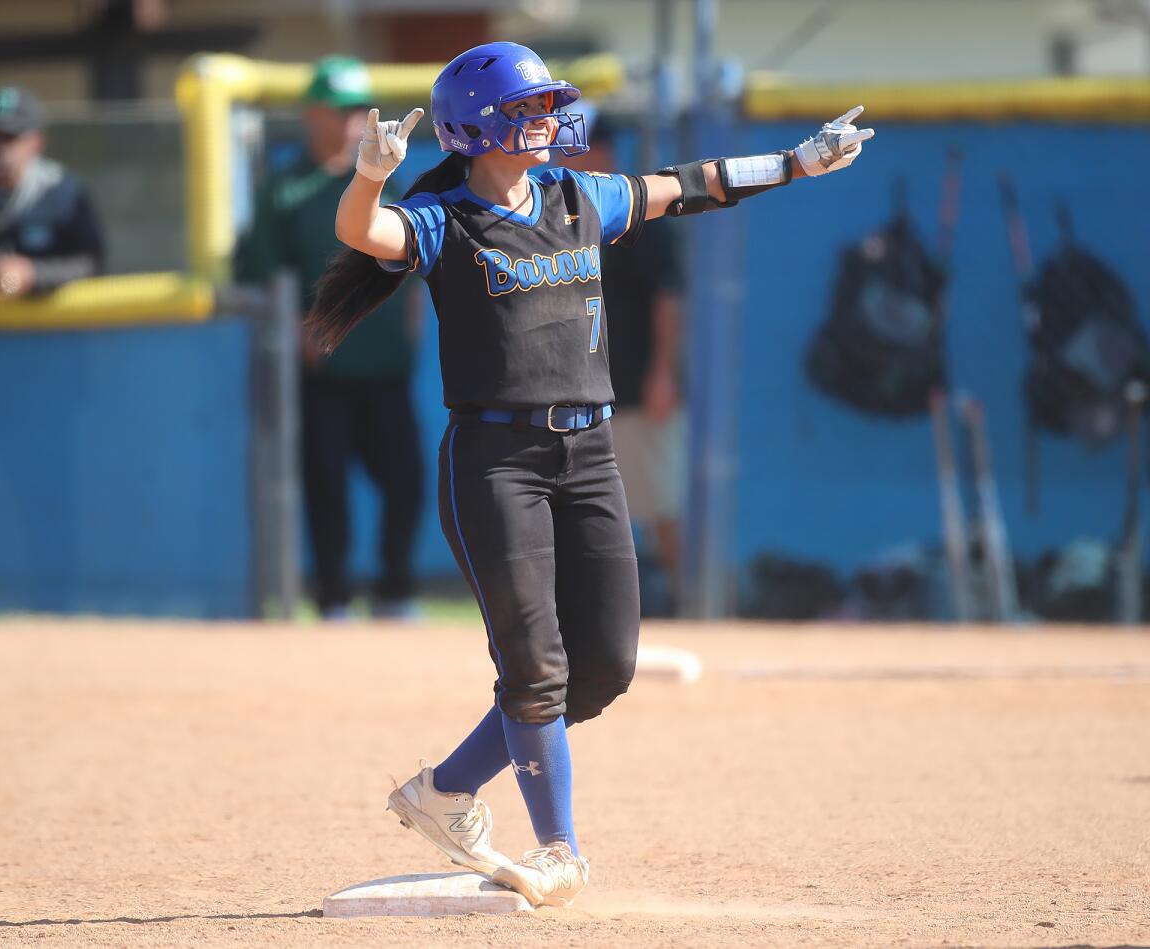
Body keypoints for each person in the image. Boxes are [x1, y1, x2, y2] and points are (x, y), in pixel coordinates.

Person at [308, 41, 873, 908]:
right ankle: (560, 848)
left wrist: (798, 161)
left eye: (546, 105)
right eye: (525, 109)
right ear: (477, 127)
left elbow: (692, 185)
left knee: (603, 666)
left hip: (591, 454)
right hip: (497, 462)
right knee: (535, 666)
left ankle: (445, 790)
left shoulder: (581, 197)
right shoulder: (445, 220)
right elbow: (362, 234)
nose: (545, 119)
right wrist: (370, 176)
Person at [236, 56, 423, 620]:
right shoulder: (285, 190)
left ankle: (394, 592)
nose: (348, 121)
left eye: (356, 110)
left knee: (407, 481)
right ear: (310, 113)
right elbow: (266, 275)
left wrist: (409, 331)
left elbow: (414, 261)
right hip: (323, 371)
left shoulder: (388, 181)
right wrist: (298, 336)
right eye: (337, 109)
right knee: (326, 487)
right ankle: (334, 597)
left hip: (385, 365)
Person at [560, 114, 686, 612]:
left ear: (607, 150)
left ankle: (688, 602)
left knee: (659, 501)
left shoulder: (633, 211)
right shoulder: (552, 213)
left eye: (585, 145)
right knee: (581, 506)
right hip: (572, 390)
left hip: (634, 383)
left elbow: (668, 299)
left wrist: (663, 373)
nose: (573, 155)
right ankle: (595, 610)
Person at [0, 86, 104, 297]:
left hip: (48, 326)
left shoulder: (63, 192)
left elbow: (91, 262)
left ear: (36, 142)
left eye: (9, 136)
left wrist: (32, 274)